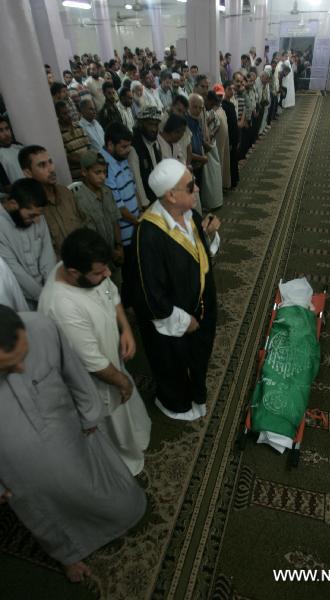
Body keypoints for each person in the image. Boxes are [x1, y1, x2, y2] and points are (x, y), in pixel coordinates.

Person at [0, 304, 147, 582]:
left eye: (24, 356)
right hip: (17, 471)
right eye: (8, 366)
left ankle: (125, 514)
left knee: (102, 488)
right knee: (47, 517)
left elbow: (74, 373)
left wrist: (90, 418)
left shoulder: (40, 327)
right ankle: (68, 556)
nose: (21, 368)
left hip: (71, 436)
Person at [38, 228, 151, 475]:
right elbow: (94, 363)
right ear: (73, 273)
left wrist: (125, 329)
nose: (107, 274)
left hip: (112, 362)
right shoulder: (61, 306)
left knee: (129, 417)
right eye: (100, 272)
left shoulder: (87, 270)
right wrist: (123, 382)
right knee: (110, 428)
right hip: (95, 381)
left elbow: (110, 292)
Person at [131, 159, 220, 420]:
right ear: (171, 195)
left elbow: (199, 253)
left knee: (198, 356)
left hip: (201, 308)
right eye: (191, 186)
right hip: (177, 319)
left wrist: (210, 234)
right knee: (175, 364)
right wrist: (182, 321)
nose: (198, 190)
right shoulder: (148, 234)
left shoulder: (188, 213)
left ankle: (195, 392)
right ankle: (175, 404)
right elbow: (150, 294)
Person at [18, 145, 86, 259]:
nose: (51, 169)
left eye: (50, 162)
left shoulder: (65, 193)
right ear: (28, 173)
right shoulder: (31, 209)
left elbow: (84, 224)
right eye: (42, 165)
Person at [100, 123, 140, 306]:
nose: (127, 150)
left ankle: (132, 303)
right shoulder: (106, 168)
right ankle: (126, 309)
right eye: (123, 146)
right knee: (125, 275)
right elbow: (118, 208)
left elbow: (131, 188)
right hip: (123, 232)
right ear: (110, 145)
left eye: (128, 146)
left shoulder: (121, 159)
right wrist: (139, 221)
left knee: (133, 271)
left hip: (133, 225)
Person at [0, 178, 55, 308]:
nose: (37, 221)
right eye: (31, 215)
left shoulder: (37, 216)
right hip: (22, 297)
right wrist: (42, 297)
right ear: (13, 204)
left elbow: (47, 253)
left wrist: (51, 289)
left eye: (39, 215)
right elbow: (14, 270)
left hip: (48, 290)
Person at [74, 151, 123, 286]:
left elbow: (115, 220)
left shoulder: (107, 192)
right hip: (97, 259)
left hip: (114, 254)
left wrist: (119, 247)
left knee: (118, 286)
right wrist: (111, 253)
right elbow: (91, 235)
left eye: (104, 172)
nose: (102, 177)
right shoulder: (80, 200)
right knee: (105, 290)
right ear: (84, 172)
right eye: (97, 173)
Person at [132, 106, 163, 204]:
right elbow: (137, 180)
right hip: (148, 201)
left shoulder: (155, 142)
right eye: (150, 124)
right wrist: (145, 203)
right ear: (141, 124)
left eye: (156, 125)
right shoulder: (134, 147)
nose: (154, 129)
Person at [55, 101, 91, 181]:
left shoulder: (78, 127)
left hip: (89, 172)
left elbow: (88, 145)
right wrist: (85, 161)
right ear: (57, 116)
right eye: (64, 114)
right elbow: (67, 157)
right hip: (77, 176)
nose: (68, 116)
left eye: (68, 112)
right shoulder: (59, 134)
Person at [221, 81, 239, 188]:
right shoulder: (224, 105)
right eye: (229, 89)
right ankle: (230, 181)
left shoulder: (231, 104)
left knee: (233, 158)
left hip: (234, 135)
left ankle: (234, 179)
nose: (231, 91)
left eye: (233, 89)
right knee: (230, 160)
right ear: (224, 90)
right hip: (229, 136)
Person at [0, 116, 23, 196]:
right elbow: (6, 187)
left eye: (7, 129)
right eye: (1, 130)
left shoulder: (19, 146)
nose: (6, 133)